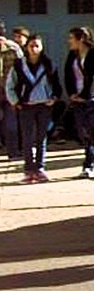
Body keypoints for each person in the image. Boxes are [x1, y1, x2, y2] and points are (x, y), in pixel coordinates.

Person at [5, 33, 62, 183]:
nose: (34, 49)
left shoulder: (48, 64)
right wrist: (15, 101)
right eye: (31, 46)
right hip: (26, 106)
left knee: (41, 138)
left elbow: (56, 84)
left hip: (44, 105)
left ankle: (40, 168)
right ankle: (29, 170)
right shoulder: (19, 65)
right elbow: (10, 85)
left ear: (42, 47)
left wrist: (54, 98)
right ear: (26, 47)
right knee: (27, 138)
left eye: (37, 46)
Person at [64, 26, 94, 178]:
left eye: (71, 38)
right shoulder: (72, 55)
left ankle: (91, 163)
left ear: (80, 39)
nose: (69, 41)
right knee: (82, 131)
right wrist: (72, 94)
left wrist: (85, 95)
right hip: (77, 99)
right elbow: (68, 75)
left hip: (91, 98)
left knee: (92, 131)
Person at [0, 21, 24, 161]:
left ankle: (13, 152)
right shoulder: (14, 48)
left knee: (11, 124)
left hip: (9, 91)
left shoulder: (13, 48)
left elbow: (21, 70)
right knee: (11, 124)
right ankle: (13, 152)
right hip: (9, 91)